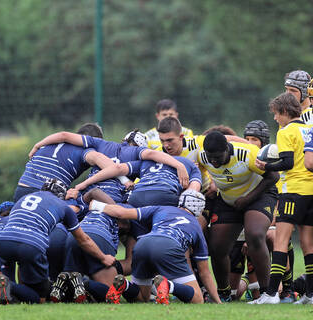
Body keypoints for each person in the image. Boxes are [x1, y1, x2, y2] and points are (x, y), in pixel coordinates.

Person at [0, 178, 116, 304]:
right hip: (31, 245)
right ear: (62, 196)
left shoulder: (24, 198)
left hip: (4, 240)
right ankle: (13, 287)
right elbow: (83, 239)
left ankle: (9, 290)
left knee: (8, 281)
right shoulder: (64, 206)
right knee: (39, 298)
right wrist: (103, 257)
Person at [90, 189, 221, 305]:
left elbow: (122, 213)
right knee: (198, 299)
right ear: (199, 210)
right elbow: (204, 272)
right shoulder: (196, 226)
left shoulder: (161, 208)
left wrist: (96, 205)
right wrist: (218, 301)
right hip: (169, 245)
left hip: (142, 244)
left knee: (142, 298)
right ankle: (168, 286)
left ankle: (124, 285)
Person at [199, 131, 279, 302]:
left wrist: (248, 199)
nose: (213, 161)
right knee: (217, 246)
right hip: (229, 200)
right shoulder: (203, 155)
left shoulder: (247, 154)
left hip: (258, 195)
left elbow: (273, 176)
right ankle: (223, 293)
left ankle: (268, 293)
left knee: (255, 235)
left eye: (218, 157)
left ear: (227, 150)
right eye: (210, 157)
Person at [250, 92, 313, 304]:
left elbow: (287, 162)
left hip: (293, 190)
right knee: (308, 243)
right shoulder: (309, 129)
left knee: (281, 241)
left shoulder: (286, 132)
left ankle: (270, 295)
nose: (276, 119)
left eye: (277, 114)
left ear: (285, 112)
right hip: (311, 191)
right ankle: (311, 295)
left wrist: (266, 166)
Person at [28, 129, 189, 190]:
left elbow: (64, 135)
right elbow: (153, 155)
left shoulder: (100, 143)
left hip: (87, 194)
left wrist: (38, 144)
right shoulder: (137, 153)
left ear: (123, 139)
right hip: (114, 198)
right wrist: (178, 164)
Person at [13, 123, 114, 202]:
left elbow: (63, 135)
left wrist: (36, 145)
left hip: (22, 189)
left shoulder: (48, 143)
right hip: (47, 196)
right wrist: (124, 178)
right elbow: (102, 161)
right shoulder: (85, 150)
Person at [72, 155, 202, 208]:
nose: (167, 145)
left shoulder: (146, 160)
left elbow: (116, 168)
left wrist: (85, 183)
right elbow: (192, 194)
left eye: (169, 140)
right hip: (166, 197)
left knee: (130, 227)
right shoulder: (190, 164)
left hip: (137, 198)